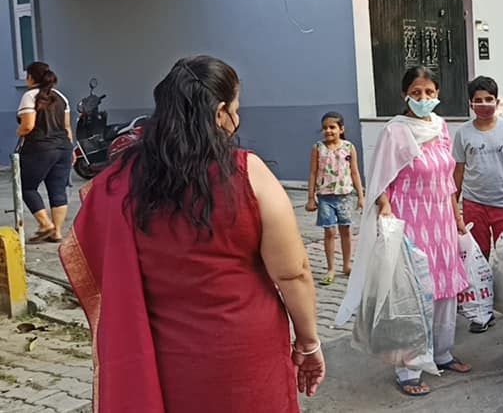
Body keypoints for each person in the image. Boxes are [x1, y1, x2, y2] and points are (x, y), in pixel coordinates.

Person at [60, 56, 325, 411]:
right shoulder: (248, 174)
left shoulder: (120, 180)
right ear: (219, 113)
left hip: (162, 356)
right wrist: (308, 343)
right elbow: (294, 272)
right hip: (244, 351)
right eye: (236, 107)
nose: (238, 116)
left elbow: (90, 250)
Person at [336, 65, 471, 397]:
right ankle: (408, 368)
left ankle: (442, 353)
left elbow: (448, 180)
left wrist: (456, 219)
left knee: (444, 289)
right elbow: (380, 176)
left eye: (429, 92)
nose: (423, 99)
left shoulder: (441, 127)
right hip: (409, 218)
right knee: (413, 293)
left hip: (440, 218)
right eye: (416, 93)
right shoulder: (395, 131)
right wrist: (383, 207)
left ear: (438, 94)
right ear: (404, 95)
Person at [453, 75, 503, 333]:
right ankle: (481, 311)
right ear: (470, 104)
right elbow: (459, 172)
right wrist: (455, 205)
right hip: (474, 205)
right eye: (478, 100)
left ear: (497, 101)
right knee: (478, 257)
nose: (484, 104)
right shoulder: (463, 133)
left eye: (488, 99)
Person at [17, 62, 74, 243]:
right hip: (63, 148)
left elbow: (27, 126)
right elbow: (67, 127)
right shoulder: (61, 97)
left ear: (32, 78)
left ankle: (45, 225)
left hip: (39, 149)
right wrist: (70, 149)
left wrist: (19, 132)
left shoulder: (29, 96)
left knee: (26, 187)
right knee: (58, 190)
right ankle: (56, 232)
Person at [306, 111, 365, 286]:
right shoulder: (318, 148)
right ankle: (331, 268)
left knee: (345, 231)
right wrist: (311, 197)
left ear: (341, 129)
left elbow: (354, 172)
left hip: (345, 196)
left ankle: (347, 265)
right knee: (329, 232)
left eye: (332, 127)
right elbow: (313, 173)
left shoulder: (348, 147)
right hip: (325, 197)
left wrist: (361, 196)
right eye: (325, 128)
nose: (328, 131)